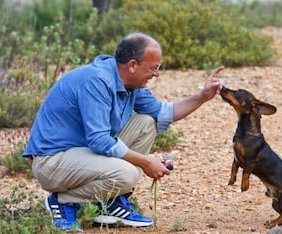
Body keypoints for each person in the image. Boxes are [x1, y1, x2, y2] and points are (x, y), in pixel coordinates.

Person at [23, 32, 224, 231]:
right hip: (52, 161)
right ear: (133, 65)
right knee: (126, 174)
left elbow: (164, 112)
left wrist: (202, 96)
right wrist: (146, 162)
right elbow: (100, 140)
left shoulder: (130, 83)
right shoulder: (98, 80)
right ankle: (63, 201)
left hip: (81, 152)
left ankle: (110, 202)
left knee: (146, 122)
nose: (157, 74)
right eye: (153, 67)